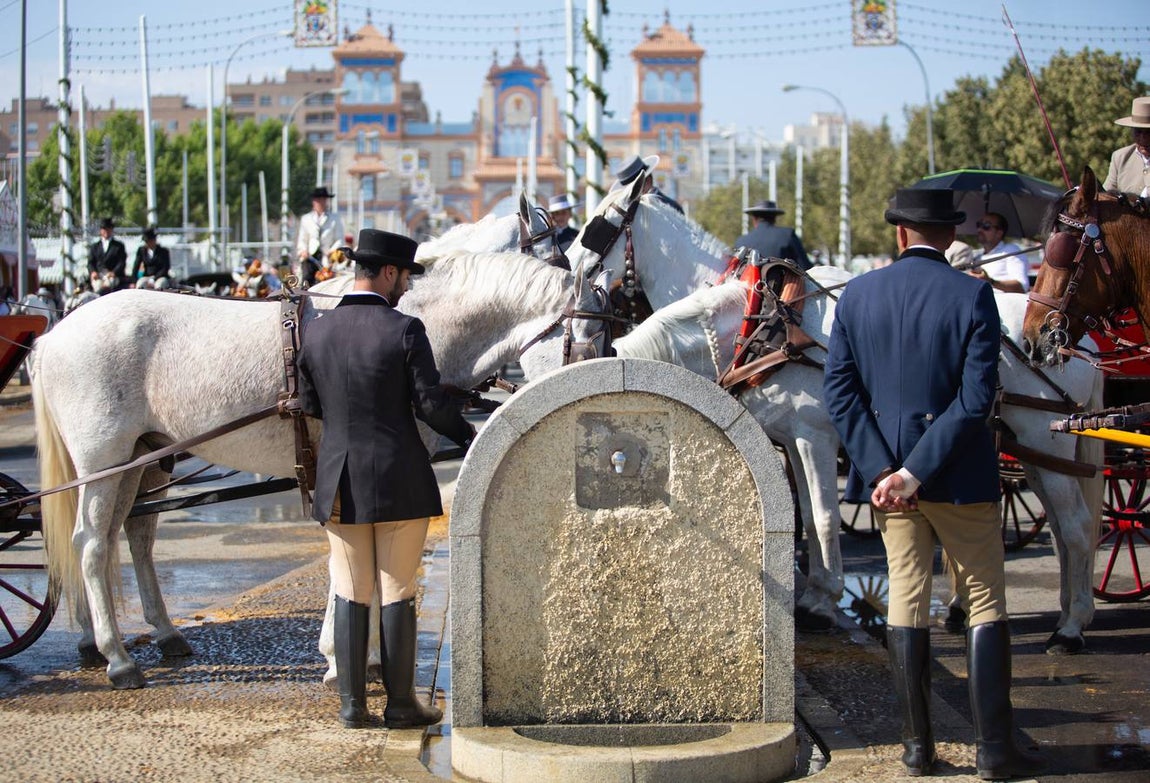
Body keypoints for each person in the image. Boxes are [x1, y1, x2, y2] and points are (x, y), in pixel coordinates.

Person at [824, 188, 1044, 780]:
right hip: (958, 476)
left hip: (889, 486)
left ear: (899, 234)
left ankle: (917, 750)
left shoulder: (859, 295)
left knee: (907, 599)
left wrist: (885, 472)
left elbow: (839, 395)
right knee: (985, 602)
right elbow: (976, 400)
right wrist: (918, 470)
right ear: (950, 236)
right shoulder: (973, 293)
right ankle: (995, 752)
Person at [298, 228, 475, 730]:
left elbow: (310, 405)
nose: (405, 289)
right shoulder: (405, 330)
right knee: (397, 587)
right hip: (398, 476)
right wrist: (469, 434)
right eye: (404, 277)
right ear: (389, 272)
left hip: (339, 480)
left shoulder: (317, 331)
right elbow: (430, 406)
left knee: (350, 588)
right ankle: (401, 704)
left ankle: (352, 707)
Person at [733, 199, 811, 270]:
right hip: (782, 285)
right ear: (774, 218)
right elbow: (805, 267)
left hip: (748, 285)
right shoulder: (788, 235)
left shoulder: (740, 241)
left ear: (754, 218)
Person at [295, 186, 346, 286]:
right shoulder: (306, 219)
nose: (321, 202)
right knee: (306, 278)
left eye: (323, 199)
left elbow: (339, 239)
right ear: (314, 201)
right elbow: (302, 239)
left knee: (328, 281)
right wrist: (303, 250)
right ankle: (304, 298)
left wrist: (332, 251)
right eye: (318, 200)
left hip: (327, 256)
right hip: (310, 257)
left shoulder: (335, 219)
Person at [1103, 96, 1150, 197]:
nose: (1143, 138)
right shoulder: (1120, 157)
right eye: (1138, 132)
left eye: (1148, 132)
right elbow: (1106, 194)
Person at [971, 212, 1027, 293]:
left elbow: (1022, 287)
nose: (979, 229)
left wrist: (990, 281)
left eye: (986, 226)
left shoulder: (1011, 250)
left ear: (999, 233)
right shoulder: (976, 255)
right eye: (978, 225)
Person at [610, 154, 684, 214]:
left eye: (633, 188)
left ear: (647, 182)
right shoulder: (628, 212)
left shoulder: (671, 208)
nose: (630, 195)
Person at [88, 217, 129, 294]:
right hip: (99, 274)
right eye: (104, 229)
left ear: (112, 230)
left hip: (113, 276)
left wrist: (114, 272)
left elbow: (121, 262)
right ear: (101, 230)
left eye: (108, 228)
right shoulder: (95, 246)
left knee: (108, 285)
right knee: (97, 285)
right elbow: (90, 262)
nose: (106, 231)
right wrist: (93, 271)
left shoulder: (119, 246)